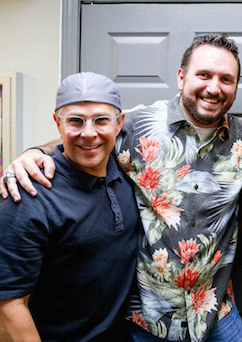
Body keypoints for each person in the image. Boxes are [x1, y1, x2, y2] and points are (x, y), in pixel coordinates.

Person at [0, 34, 242, 342]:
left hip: (216, 312)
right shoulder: (137, 124)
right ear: (181, 78)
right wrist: (34, 152)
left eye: (226, 79)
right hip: (147, 321)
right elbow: (87, 136)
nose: (213, 87)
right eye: (204, 75)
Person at [0, 72, 139, 341]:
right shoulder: (27, 195)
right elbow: (7, 307)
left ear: (120, 123)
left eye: (101, 120)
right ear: (58, 123)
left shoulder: (127, 169)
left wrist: (35, 149)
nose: (89, 133)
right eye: (76, 121)